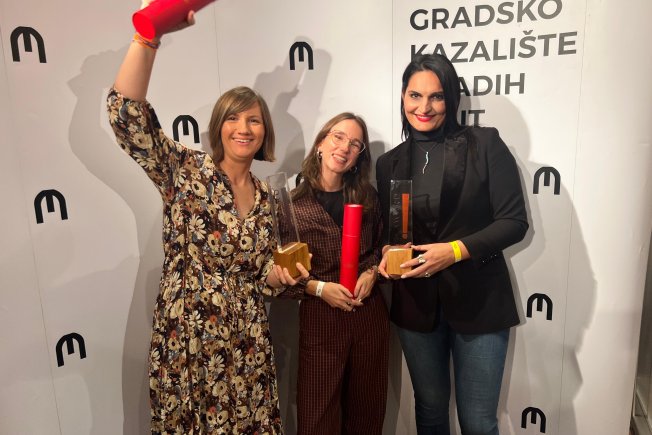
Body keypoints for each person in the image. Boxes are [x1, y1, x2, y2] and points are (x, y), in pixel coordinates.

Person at [107, 4, 307, 433]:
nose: (244, 128)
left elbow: (261, 277)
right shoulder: (185, 170)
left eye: (254, 120)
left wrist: (278, 277)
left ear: (265, 133)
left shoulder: (268, 197)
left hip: (247, 343)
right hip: (188, 339)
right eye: (233, 117)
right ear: (219, 126)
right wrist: (148, 36)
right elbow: (127, 117)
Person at [376, 53, 528, 435]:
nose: (424, 107)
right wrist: (387, 251)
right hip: (415, 304)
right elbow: (395, 230)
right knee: (429, 410)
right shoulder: (389, 163)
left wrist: (455, 250)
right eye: (415, 95)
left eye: (436, 96)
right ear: (403, 96)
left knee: (477, 422)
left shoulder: (484, 144)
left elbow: (513, 222)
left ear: (451, 99)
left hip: (480, 301)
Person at [279, 113, 389, 434]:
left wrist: (373, 273)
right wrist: (318, 288)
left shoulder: (368, 198)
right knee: (317, 419)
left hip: (368, 314)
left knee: (367, 415)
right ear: (321, 143)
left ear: (359, 157)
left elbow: (380, 249)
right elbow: (279, 274)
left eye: (355, 144)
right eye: (338, 137)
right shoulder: (290, 205)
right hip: (321, 318)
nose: (345, 147)